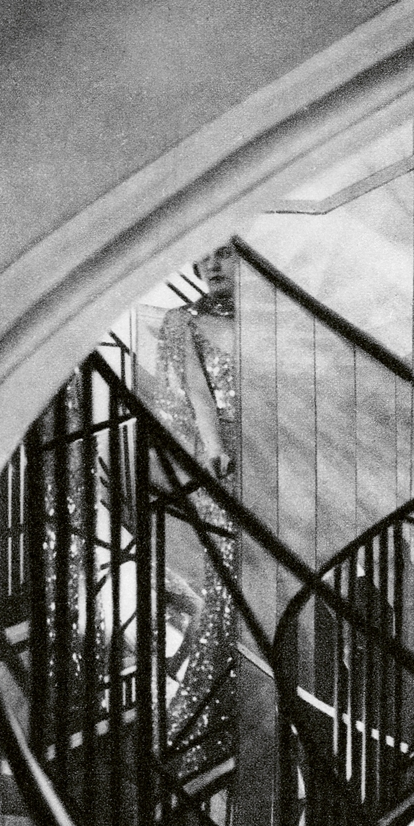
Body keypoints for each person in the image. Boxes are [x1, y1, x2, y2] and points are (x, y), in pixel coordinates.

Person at [154, 243, 239, 781]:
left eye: (226, 253)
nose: (212, 264)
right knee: (229, 577)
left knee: (248, 583)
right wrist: (213, 447)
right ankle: (196, 715)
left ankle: (229, 706)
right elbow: (195, 391)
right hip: (223, 457)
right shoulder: (182, 321)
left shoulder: (270, 317)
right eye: (204, 254)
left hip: (270, 446)